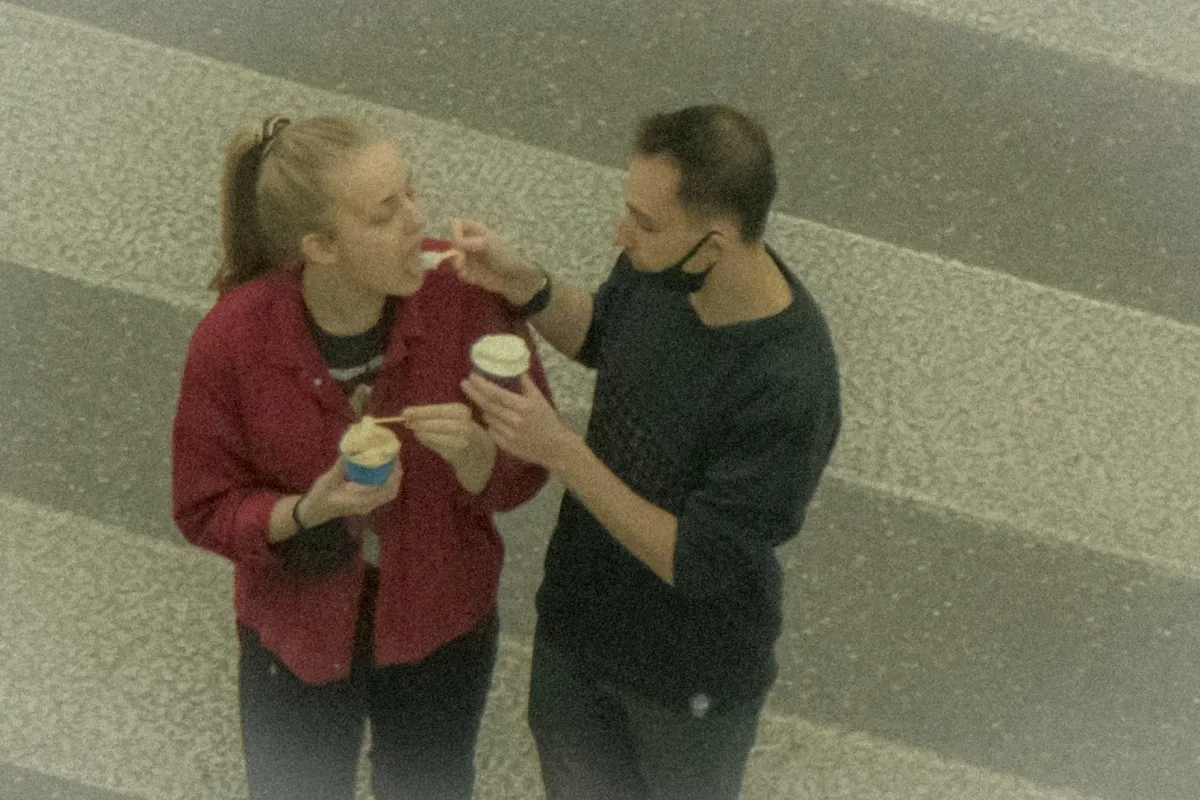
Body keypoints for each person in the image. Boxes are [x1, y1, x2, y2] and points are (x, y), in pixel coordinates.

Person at [456, 104, 842, 800]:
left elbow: (696, 559)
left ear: (716, 242)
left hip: (683, 685)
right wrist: (527, 287)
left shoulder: (786, 385)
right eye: (628, 209)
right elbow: (606, 333)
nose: (623, 234)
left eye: (648, 223)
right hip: (578, 630)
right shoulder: (664, 269)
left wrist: (562, 452)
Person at [171, 115, 550, 800]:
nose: (418, 220)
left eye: (412, 193)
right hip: (295, 632)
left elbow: (530, 466)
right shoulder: (233, 340)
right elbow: (203, 506)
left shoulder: (466, 300)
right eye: (384, 214)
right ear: (319, 245)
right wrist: (303, 511)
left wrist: (478, 458)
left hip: (441, 624)